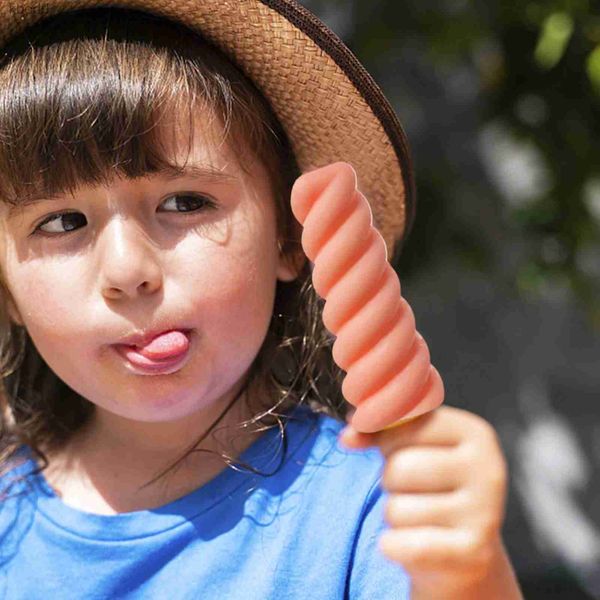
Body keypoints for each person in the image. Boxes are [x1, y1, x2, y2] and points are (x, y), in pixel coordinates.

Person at [0, 3, 522, 598]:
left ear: (288, 238)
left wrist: (472, 575)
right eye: (62, 220)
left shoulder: (379, 511)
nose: (127, 271)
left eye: (185, 202)